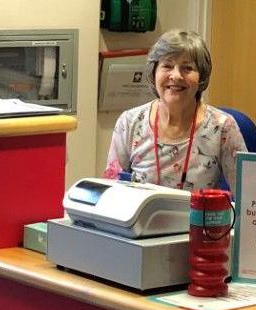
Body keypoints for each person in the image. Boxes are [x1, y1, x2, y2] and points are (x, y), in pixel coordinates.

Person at [104, 30, 247, 191]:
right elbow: (112, 193)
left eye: (187, 68)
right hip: (142, 216)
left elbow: (247, 199)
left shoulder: (223, 127)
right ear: (154, 72)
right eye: (167, 66)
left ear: (202, 76)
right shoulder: (129, 122)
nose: (176, 75)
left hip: (199, 216)